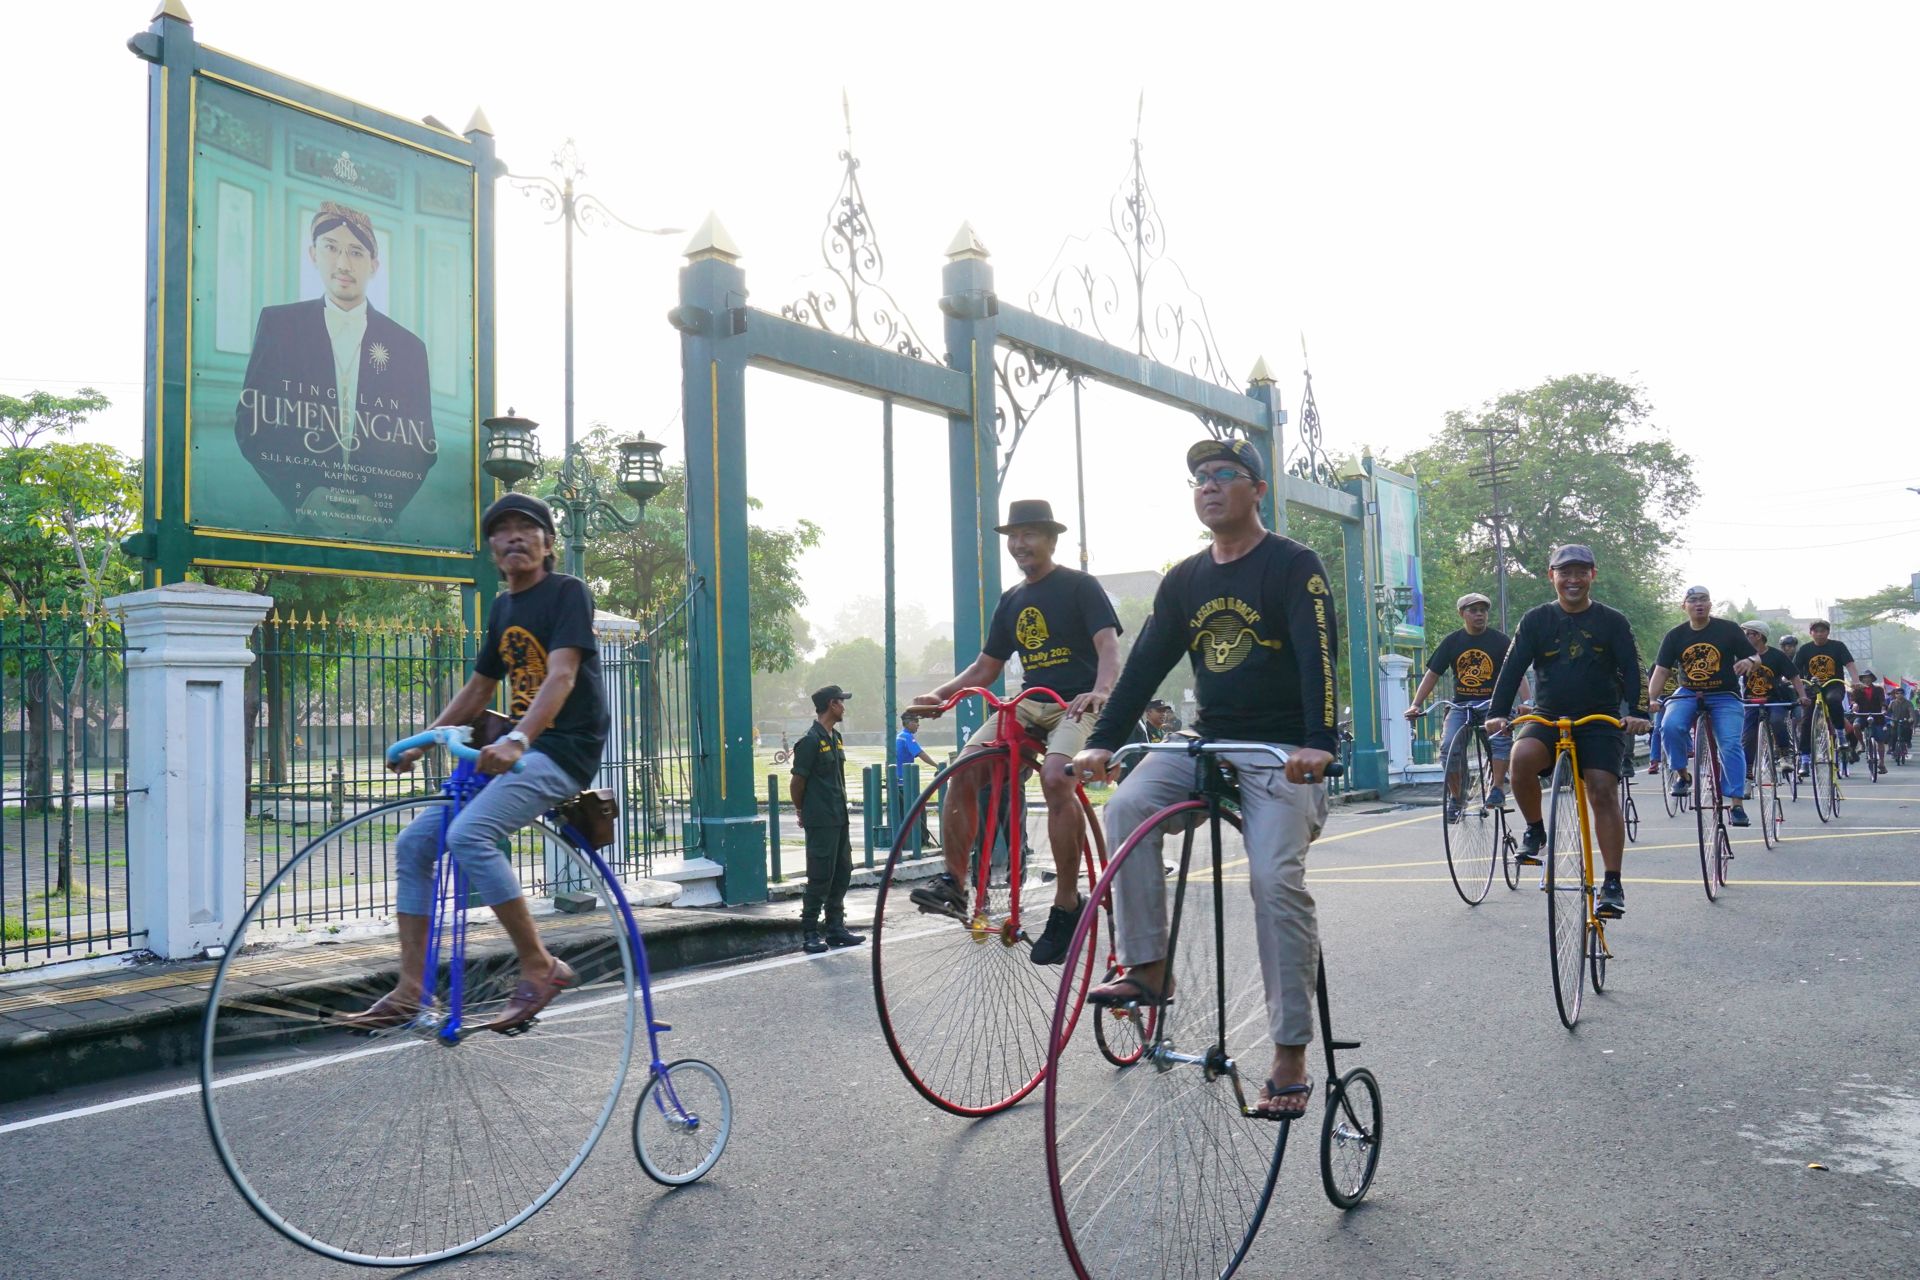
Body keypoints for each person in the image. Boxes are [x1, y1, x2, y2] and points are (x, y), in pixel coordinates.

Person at [1075, 437, 1339, 1122]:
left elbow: (1319, 657)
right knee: (1127, 803)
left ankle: (1289, 1053)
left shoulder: (1293, 566)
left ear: (1258, 491)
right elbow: (1144, 668)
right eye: (1198, 478)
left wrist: (1319, 743)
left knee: (1273, 878)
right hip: (1209, 741)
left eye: (1225, 475)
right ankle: (1146, 967)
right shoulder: (1185, 579)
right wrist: (1104, 744)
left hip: (1281, 749)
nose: (1209, 485)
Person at [345, 493, 607, 1032]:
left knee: (469, 836)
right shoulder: (503, 607)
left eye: (526, 528)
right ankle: (413, 989)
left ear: (548, 543)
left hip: (562, 750)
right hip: (518, 750)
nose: (513, 536)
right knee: (415, 843)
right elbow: (481, 685)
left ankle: (540, 964)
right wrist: (427, 737)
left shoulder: (567, 593)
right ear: (491, 548)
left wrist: (519, 739)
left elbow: (561, 675)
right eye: (502, 530)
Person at [909, 499, 1122, 966]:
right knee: (964, 769)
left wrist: (1101, 692)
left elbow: (1108, 645)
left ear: (1050, 539)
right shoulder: (1012, 599)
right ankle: (954, 883)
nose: (1019, 544)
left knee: (1055, 778)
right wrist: (940, 696)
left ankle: (1067, 903)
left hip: (1075, 701)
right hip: (1028, 702)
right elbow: (987, 667)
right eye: (1013, 536)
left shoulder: (1079, 586)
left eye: (1029, 534)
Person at [234, 202, 437, 536]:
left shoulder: (409, 347)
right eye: (331, 247)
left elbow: (422, 445)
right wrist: (303, 495)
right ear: (313, 254)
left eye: (356, 252)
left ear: (374, 265)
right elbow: (251, 423)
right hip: (293, 525)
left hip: (376, 535)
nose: (343, 264)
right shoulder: (279, 325)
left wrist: (381, 507)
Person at [1485, 545, 1651, 919]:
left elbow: (1632, 668)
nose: (1572, 580)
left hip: (1600, 718)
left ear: (1593, 574)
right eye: (1565, 572)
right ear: (1552, 576)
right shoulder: (1536, 620)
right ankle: (1534, 830)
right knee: (1521, 757)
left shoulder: (1613, 621)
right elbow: (1512, 669)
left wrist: (1638, 712)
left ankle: (1612, 882)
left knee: (1602, 789)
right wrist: (1497, 713)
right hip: (1548, 714)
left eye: (1580, 572)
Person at [1405, 591, 1525, 815]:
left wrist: (1526, 701)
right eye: (1473, 611)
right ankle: (1457, 797)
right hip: (1461, 706)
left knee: (1500, 739)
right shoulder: (1453, 641)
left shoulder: (1499, 641)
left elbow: (1517, 673)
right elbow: (1432, 674)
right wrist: (1415, 704)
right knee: (1448, 747)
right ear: (1462, 614)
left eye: (1483, 611)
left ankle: (1497, 788)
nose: (1479, 615)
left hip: (1493, 704)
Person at [1650, 588, 1758, 825]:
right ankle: (1682, 775)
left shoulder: (1728, 629)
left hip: (1724, 695)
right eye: (1693, 601)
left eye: (1703, 600)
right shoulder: (1675, 636)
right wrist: (1652, 698)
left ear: (1710, 605)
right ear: (1684, 606)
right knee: (1669, 726)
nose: (1698, 604)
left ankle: (1737, 804)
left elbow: (1755, 657)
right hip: (1688, 691)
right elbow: (1662, 669)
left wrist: (1749, 661)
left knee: (1729, 744)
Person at [791, 685, 864, 955]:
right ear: (831, 705)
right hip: (821, 819)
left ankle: (835, 928)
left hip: (839, 817)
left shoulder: (836, 737)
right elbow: (797, 783)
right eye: (841, 702)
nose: (844, 707)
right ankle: (810, 932)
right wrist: (802, 811)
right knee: (820, 876)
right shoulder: (810, 741)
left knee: (842, 872)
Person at [1794, 619, 1860, 769]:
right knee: (1806, 721)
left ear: (1827, 632)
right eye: (1816, 631)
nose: (1819, 634)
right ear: (1811, 633)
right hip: (1812, 688)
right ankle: (1805, 759)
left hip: (1833, 685)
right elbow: (1794, 670)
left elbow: (1849, 664)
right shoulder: (1805, 650)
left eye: (1822, 631)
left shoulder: (1838, 646)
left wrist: (1856, 680)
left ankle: (1841, 736)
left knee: (1833, 700)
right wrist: (1786, 679)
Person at [1737, 620, 1797, 784]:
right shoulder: (1742, 655)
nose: (1745, 637)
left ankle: (1785, 755)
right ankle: (1748, 772)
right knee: (1748, 737)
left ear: (1758, 636)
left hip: (1774, 700)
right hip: (1751, 701)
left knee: (1777, 721)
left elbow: (1794, 676)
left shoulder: (1777, 655)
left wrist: (1803, 695)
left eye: (1748, 634)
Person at [893, 710, 940, 846]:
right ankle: (922, 841)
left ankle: (908, 841)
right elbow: (920, 753)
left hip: (899, 781)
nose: (918, 725)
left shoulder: (899, 736)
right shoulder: (907, 737)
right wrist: (937, 765)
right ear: (908, 723)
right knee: (919, 810)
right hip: (905, 782)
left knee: (904, 813)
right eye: (916, 722)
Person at [1850, 672, 1890, 765]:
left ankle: (1882, 763)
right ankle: (1862, 745)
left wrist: (1883, 709)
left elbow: (1882, 701)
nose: (1867, 679)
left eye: (1868, 677)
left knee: (1880, 740)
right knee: (1855, 725)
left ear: (1872, 679)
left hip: (1877, 716)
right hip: (1862, 715)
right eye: (1864, 678)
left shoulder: (1879, 690)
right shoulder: (1857, 690)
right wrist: (1855, 705)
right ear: (1862, 679)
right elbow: (1853, 700)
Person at [1891, 684, 1914, 757]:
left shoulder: (1908, 703)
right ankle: (1893, 749)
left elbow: (1911, 711)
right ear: (1895, 695)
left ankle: (1908, 741)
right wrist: (1889, 720)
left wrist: (1911, 717)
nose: (1899, 695)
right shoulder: (1892, 703)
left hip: (1905, 722)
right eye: (1897, 693)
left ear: (1903, 694)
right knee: (1893, 735)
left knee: (1908, 730)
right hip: (1895, 722)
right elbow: (1888, 712)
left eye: (1901, 693)